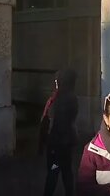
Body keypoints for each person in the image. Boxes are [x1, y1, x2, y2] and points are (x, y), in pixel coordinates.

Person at [41, 68, 79, 196]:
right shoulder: (70, 97)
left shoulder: (61, 99)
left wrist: (48, 142)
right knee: (67, 171)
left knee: (54, 170)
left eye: (57, 80)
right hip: (65, 141)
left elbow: (56, 122)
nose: (55, 83)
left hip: (58, 143)